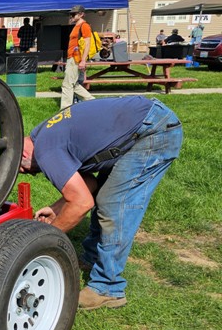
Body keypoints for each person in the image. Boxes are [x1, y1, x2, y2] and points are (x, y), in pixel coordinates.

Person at [19, 97, 182, 310]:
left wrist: (45, 239)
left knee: (115, 203)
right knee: (104, 194)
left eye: (22, 168)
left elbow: (81, 203)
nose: (27, 173)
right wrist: (56, 209)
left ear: (23, 153)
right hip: (142, 123)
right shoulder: (42, 135)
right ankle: (93, 258)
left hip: (154, 130)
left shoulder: (45, 151)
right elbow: (89, 182)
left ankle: (108, 288)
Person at [61, 4, 95, 110]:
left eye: (74, 14)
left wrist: (83, 61)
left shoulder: (84, 26)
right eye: (71, 14)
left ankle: (65, 110)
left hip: (76, 58)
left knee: (67, 84)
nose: (72, 16)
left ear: (81, 14)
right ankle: (92, 102)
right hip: (72, 57)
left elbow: (87, 44)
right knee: (74, 84)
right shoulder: (76, 26)